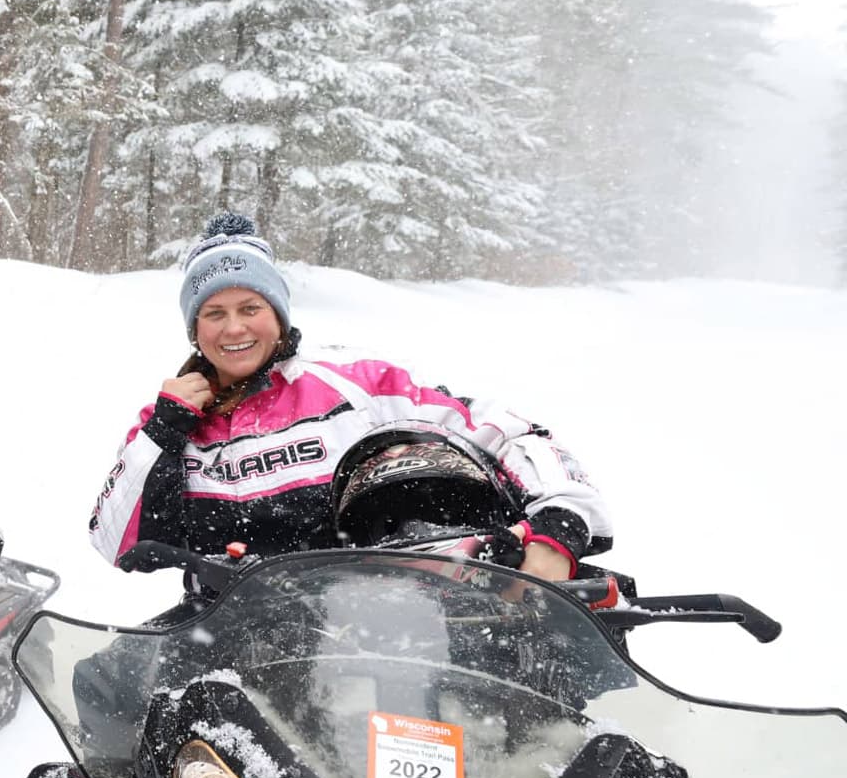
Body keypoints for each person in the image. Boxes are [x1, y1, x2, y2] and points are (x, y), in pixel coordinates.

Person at [89, 212, 610, 580]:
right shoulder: (170, 425)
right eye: (214, 313)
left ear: (278, 315)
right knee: (104, 688)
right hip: (226, 633)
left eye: (250, 308)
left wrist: (558, 526)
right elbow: (113, 541)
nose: (234, 329)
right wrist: (166, 428)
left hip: (373, 630)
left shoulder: (360, 387)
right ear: (194, 328)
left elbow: (513, 432)